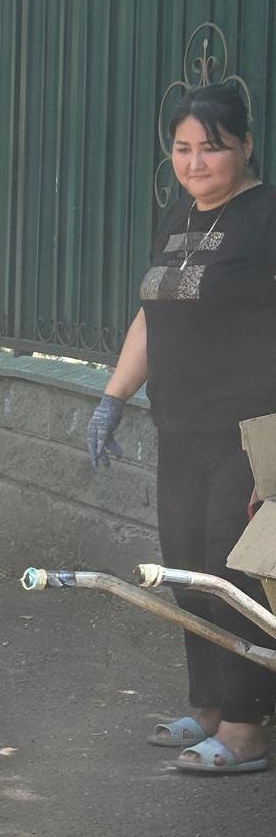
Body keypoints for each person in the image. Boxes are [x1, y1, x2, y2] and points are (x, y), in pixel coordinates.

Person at [88, 83, 276, 772]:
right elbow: (154, 311)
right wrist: (113, 396)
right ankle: (208, 706)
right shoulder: (178, 217)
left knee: (237, 574)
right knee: (187, 570)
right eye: (183, 148)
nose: (195, 163)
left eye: (212, 148)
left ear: (246, 145)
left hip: (251, 429)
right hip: (181, 425)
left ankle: (247, 727)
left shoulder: (266, 214)